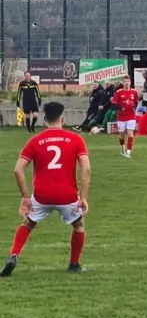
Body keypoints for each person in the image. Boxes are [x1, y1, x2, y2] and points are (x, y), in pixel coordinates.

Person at [0, 102, 91, 277]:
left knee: (28, 223)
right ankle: (74, 264)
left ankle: (14, 255)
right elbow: (86, 169)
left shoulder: (35, 141)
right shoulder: (75, 139)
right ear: (62, 119)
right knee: (78, 225)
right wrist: (83, 197)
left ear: (44, 119)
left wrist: (25, 197)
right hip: (67, 195)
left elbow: (18, 169)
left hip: (42, 195)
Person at [111, 75, 138, 158]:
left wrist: (134, 107)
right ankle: (123, 147)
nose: (127, 83)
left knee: (130, 133)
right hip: (121, 117)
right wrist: (120, 107)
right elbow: (114, 104)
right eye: (125, 82)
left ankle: (128, 152)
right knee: (121, 135)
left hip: (131, 116)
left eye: (128, 81)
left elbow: (136, 102)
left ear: (130, 82)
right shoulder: (118, 92)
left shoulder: (134, 92)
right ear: (123, 83)